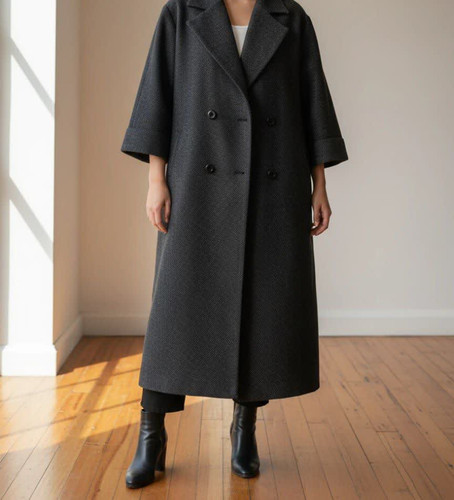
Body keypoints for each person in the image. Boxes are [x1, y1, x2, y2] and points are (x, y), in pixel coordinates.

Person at [121, 0, 348, 489]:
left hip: (272, 183)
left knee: (259, 310)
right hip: (195, 183)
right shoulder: (183, 13)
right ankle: (151, 436)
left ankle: (244, 430)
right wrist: (156, 180)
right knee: (174, 312)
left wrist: (320, 185)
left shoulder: (290, 18)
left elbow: (311, 103)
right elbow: (158, 95)